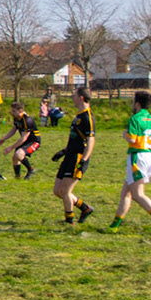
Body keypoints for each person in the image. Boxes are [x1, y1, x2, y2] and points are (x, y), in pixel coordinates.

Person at [112, 90, 151, 234]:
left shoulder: (135, 119)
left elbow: (132, 139)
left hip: (137, 158)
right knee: (126, 193)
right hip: (150, 156)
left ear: (137, 104)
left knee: (138, 194)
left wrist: (125, 135)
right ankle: (113, 226)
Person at [52, 87, 95, 227]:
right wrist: (63, 152)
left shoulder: (87, 117)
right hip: (69, 156)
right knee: (57, 191)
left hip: (77, 158)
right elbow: (76, 139)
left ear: (81, 98)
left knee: (65, 191)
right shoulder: (79, 116)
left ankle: (69, 222)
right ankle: (85, 208)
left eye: (74, 96)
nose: (73, 98)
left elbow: (90, 140)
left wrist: (84, 160)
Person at [0, 103, 42, 178]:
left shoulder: (27, 120)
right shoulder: (17, 117)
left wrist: (11, 147)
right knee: (15, 158)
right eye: (11, 111)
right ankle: (17, 176)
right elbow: (14, 129)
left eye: (14, 111)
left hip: (34, 141)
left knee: (18, 154)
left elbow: (23, 138)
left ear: (21, 111)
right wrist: (3, 139)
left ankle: (31, 169)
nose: (12, 113)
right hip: (26, 140)